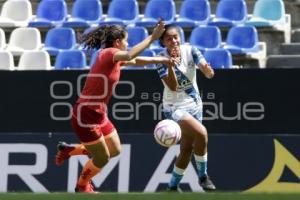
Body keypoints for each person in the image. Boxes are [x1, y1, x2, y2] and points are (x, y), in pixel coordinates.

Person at [55, 22, 174, 193]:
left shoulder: (113, 58)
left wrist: (160, 60)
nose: (128, 44)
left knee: (115, 150)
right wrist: (152, 38)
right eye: (126, 41)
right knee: (102, 157)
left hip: (99, 114)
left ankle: (70, 150)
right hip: (86, 115)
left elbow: (135, 59)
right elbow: (129, 55)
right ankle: (82, 186)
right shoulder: (109, 53)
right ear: (118, 42)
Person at [156, 25, 216, 192]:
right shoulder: (160, 59)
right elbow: (174, 86)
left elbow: (206, 69)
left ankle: (172, 186)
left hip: (195, 105)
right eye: (169, 38)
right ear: (163, 42)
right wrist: (171, 65)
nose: (174, 41)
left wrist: (208, 71)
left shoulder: (191, 50)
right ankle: (203, 176)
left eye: (176, 37)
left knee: (186, 149)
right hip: (174, 108)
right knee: (202, 133)